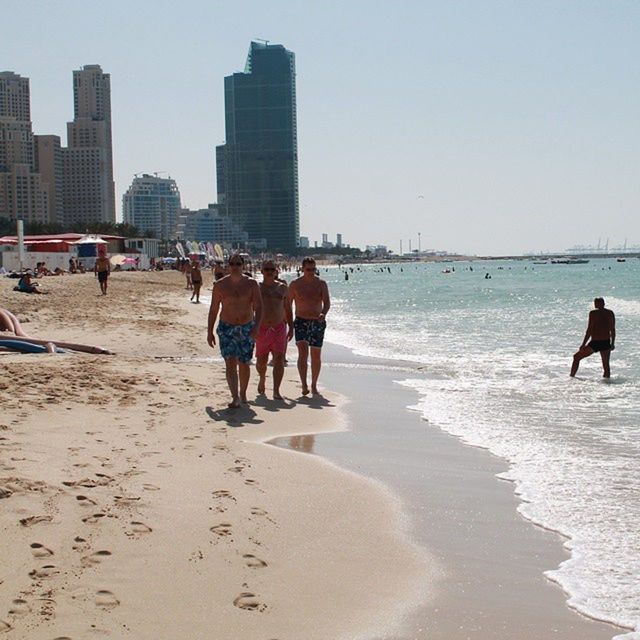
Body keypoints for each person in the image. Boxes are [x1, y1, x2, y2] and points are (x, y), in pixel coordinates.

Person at [207, 254, 262, 408]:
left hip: (246, 327)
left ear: (243, 265)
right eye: (232, 264)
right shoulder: (220, 285)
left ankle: (243, 392)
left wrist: (256, 327)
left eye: (238, 264)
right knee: (230, 362)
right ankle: (235, 396)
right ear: (228, 266)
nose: (235, 266)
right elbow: (213, 309)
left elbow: (258, 307)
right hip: (227, 327)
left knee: (244, 363)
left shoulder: (252, 284)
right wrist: (209, 331)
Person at [289, 257, 330, 395]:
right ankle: (304, 384)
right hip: (301, 321)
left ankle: (313, 384)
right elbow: (288, 305)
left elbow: (327, 302)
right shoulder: (295, 284)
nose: (311, 272)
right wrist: (288, 323)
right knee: (303, 353)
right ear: (302, 269)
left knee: (316, 355)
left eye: (313, 269)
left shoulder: (321, 284)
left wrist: (323, 313)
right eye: (308, 269)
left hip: (317, 322)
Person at [255, 260, 293, 400]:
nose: (269, 271)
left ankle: (276, 390)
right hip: (262, 328)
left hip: (279, 327)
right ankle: (262, 378)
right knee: (261, 361)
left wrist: (291, 327)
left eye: (272, 269)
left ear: (276, 271)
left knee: (279, 359)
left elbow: (288, 308)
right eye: (267, 269)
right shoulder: (257, 288)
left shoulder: (282, 288)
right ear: (262, 271)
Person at [571, 297, 616, 378]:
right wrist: (612, 343)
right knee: (606, 366)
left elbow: (589, 330)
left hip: (595, 342)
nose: (595, 304)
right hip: (606, 341)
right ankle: (607, 385)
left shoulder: (593, 313)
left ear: (600, 304)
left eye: (596, 303)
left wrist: (583, 344)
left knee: (576, 357)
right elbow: (612, 329)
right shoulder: (610, 313)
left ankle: (571, 377)